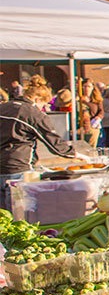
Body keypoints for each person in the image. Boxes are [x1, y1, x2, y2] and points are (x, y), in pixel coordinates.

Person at [0, 77, 78, 209]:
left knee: (3, 218)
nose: (43, 109)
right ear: (36, 99)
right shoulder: (33, 113)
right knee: (19, 213)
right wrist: (74, 153)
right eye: (43, 105)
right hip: (18, 168)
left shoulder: (3, 107)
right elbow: (53, 143)